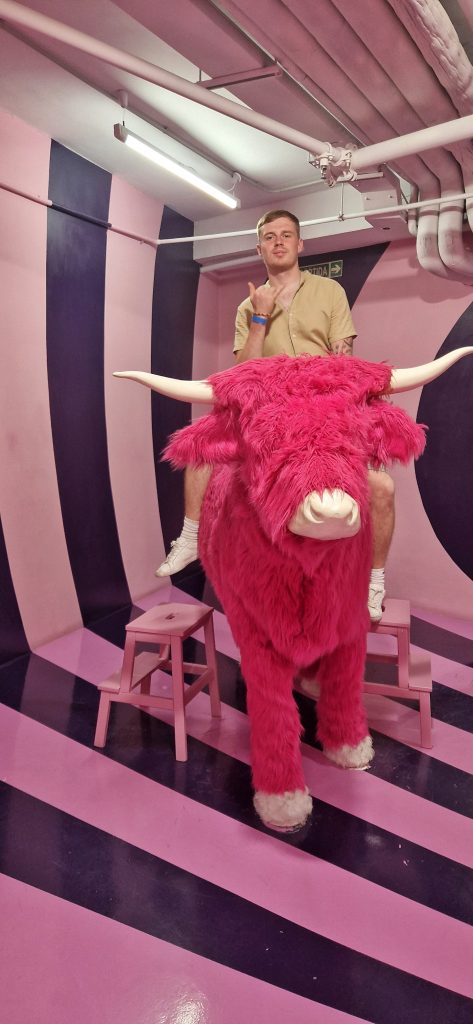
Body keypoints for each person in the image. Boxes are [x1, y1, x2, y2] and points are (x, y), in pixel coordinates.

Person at [156, 209, 394, 623]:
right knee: (200, 446)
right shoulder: (248, 306)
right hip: (268, 413)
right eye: (270, 236)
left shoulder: (329, 292)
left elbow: (343, 358)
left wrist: (332, 409)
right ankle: (191, 536)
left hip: (321, 409)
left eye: (287, 235)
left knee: (383, 488)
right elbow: (240, 373)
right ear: (260, 247)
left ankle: (374, 582)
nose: (279, 242)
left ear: (300, 245)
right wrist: (260, 316)